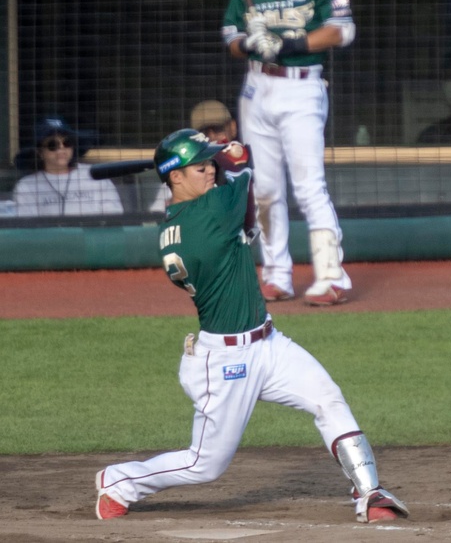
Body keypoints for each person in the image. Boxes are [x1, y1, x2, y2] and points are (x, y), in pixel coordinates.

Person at [95, 128, 408, 523]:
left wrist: (218, 160)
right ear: (175, 177)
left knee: (327, 398)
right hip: (225, 363)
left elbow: (242, 212)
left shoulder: (179, 221)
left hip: (268, 343)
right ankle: (120, 481)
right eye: (199, 166)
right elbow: (242, 173)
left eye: (209, 164)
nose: (209, 170)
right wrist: (232, 157)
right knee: (203, 465)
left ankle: (370, 493)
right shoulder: (208, 215)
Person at [221, 0, 355, 305]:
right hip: (258, 88)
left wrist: (287, 42)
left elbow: (342, 30)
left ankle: (332, 277)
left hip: (301, 85)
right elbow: (230, 37)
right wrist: (251, 42)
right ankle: (277, 273)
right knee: (263, 188)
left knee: (308, 185)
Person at [13, 116, 124, 217]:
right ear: (40, 152)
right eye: (53, 145)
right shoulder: (27, 186)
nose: (61, 149)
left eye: (67, 143)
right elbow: (29, 229)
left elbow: (114, 218)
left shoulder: (96, 175)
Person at [148, 100, 240, 213]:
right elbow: (158, 217)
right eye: (203, 133)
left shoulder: (255, 164)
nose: (211, 137)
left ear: (232, 127)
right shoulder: (179, 175)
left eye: (217, 129)